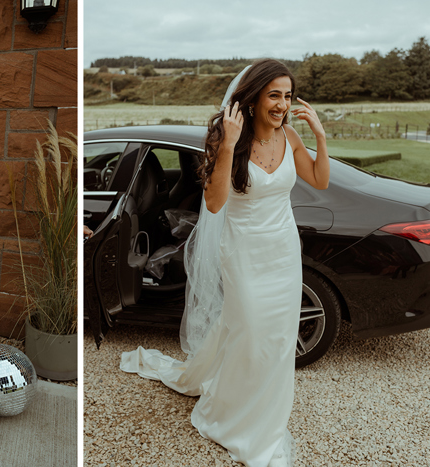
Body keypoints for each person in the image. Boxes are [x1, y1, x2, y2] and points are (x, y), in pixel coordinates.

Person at [120, 59, 329, 467]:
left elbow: (319, 180)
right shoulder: (227, 140)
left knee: (279, 339)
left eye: (287, 96)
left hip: (283, 253)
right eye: (274, 95)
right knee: (250, 332)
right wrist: (230, 144)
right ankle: (232, 413)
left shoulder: (290, 135)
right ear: (252, 99)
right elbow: (214, 204)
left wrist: (318, 134)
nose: (282, 104)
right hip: (244, 252)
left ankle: (266, 420)